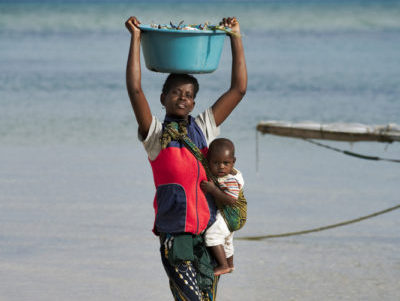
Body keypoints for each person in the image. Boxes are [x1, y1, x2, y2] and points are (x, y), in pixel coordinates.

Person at [125, 15, 247, 301]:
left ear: (194, 102)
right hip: (175, 238)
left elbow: (238, 90)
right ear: (163, 98)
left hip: (206, 238)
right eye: (176, 93)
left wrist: (235, 37)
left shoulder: (203, 128)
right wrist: (136, 39)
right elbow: (134, 90)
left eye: (189, 95)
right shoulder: (155, 134)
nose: (183, 98)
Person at [200, 138, 244, 276]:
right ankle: (230, 265)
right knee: (227, 240)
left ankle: (223, 265)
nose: (221, 167)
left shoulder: (230, 179)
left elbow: (231, 200)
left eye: (226, 163)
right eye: (216, 163)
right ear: (209, 161)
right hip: (233, 217)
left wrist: (213, 190)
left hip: (230, 214)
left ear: (233, 162)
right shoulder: (227, 174)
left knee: (212, 236)